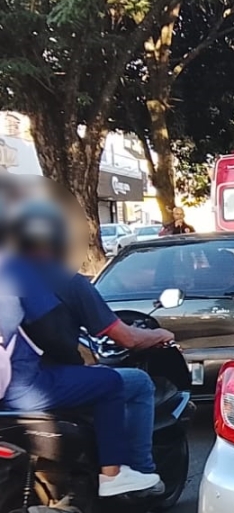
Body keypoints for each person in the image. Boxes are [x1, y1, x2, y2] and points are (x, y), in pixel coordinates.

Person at [5, 199, 171, 496]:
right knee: (115, 382)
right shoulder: (59, 278)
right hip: (26, 387)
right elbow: (126, 339)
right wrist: (159, 334)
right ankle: (125, 475)